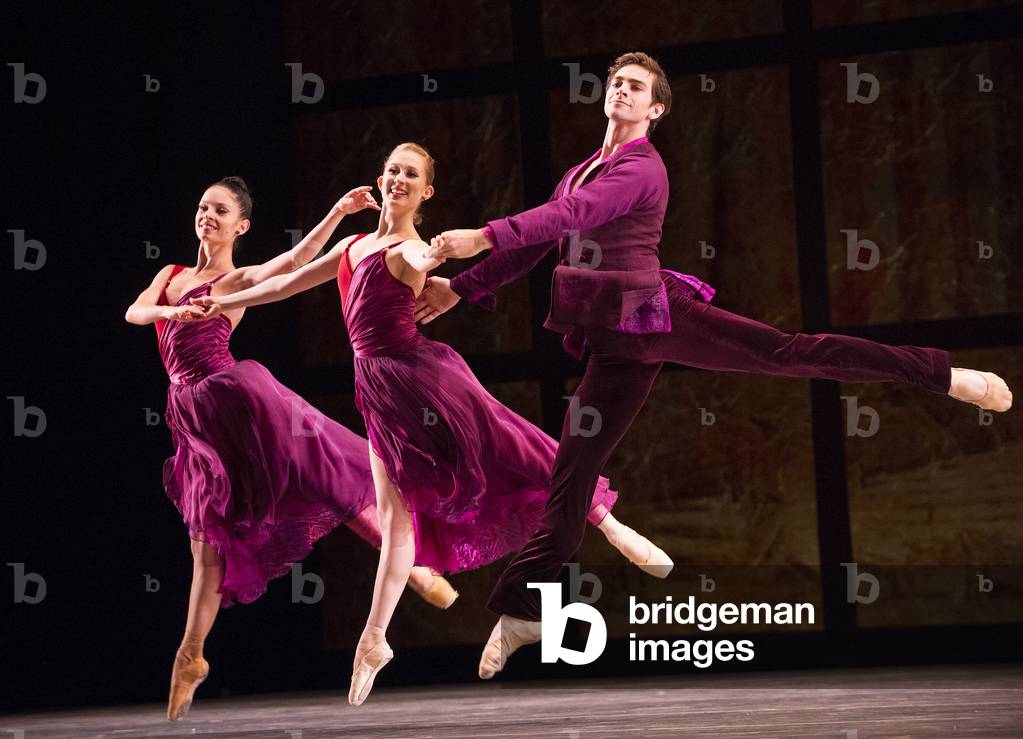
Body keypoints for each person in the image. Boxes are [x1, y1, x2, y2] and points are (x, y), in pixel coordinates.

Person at [419, 51, 1014, 679]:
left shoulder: (643, 168)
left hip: (657, 314)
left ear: (655, 109)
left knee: (790, 353)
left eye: (636, 87)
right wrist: (462, 287)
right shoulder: (580, 170)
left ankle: (940, 375)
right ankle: (521, 609)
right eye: (616, 82)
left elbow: (571, 219)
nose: (621, 90)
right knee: (571, 475)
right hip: (615, 346)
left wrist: (482, 235)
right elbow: (545, 238)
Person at [190, 144, 673, 706]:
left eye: (411, 174)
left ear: (426, 193)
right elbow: (280, 286)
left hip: (423, 379)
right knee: (396, 522)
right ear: (380, 178)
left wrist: (448, 254)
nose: (399, 179)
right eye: (393, 170)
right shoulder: (353, 246)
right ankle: (374, 640)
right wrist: (218, 302)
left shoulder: (412, 248)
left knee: (516, 447)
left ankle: (613, 526)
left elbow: (430, 262)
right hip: (376, 392)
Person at [125, 177, 457, 721]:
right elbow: (135, 312)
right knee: (207, 541)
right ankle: (191, 656)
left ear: (241, 226)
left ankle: (414, 568)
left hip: (236, 398)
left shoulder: (238, 279)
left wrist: (337, 211)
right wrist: (169, 313)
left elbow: (299, 258)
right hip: (191, 418)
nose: (208, 215)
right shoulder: (171, 276)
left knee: (322, 471)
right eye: (203, 206)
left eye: (221, 210)